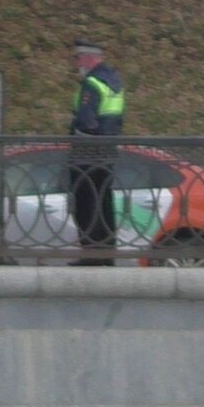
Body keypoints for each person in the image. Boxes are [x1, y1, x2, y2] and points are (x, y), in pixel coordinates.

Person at [68, 39, 125, 265]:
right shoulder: (114, 82)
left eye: (78, 58)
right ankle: (107, 253)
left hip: (87, 153)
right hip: (107, 151)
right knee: (104, 201)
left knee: (86, 203)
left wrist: (73, 138)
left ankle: (90, 254)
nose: (76, 63)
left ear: (89, 58)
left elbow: (86, 121)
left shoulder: (92, 83)